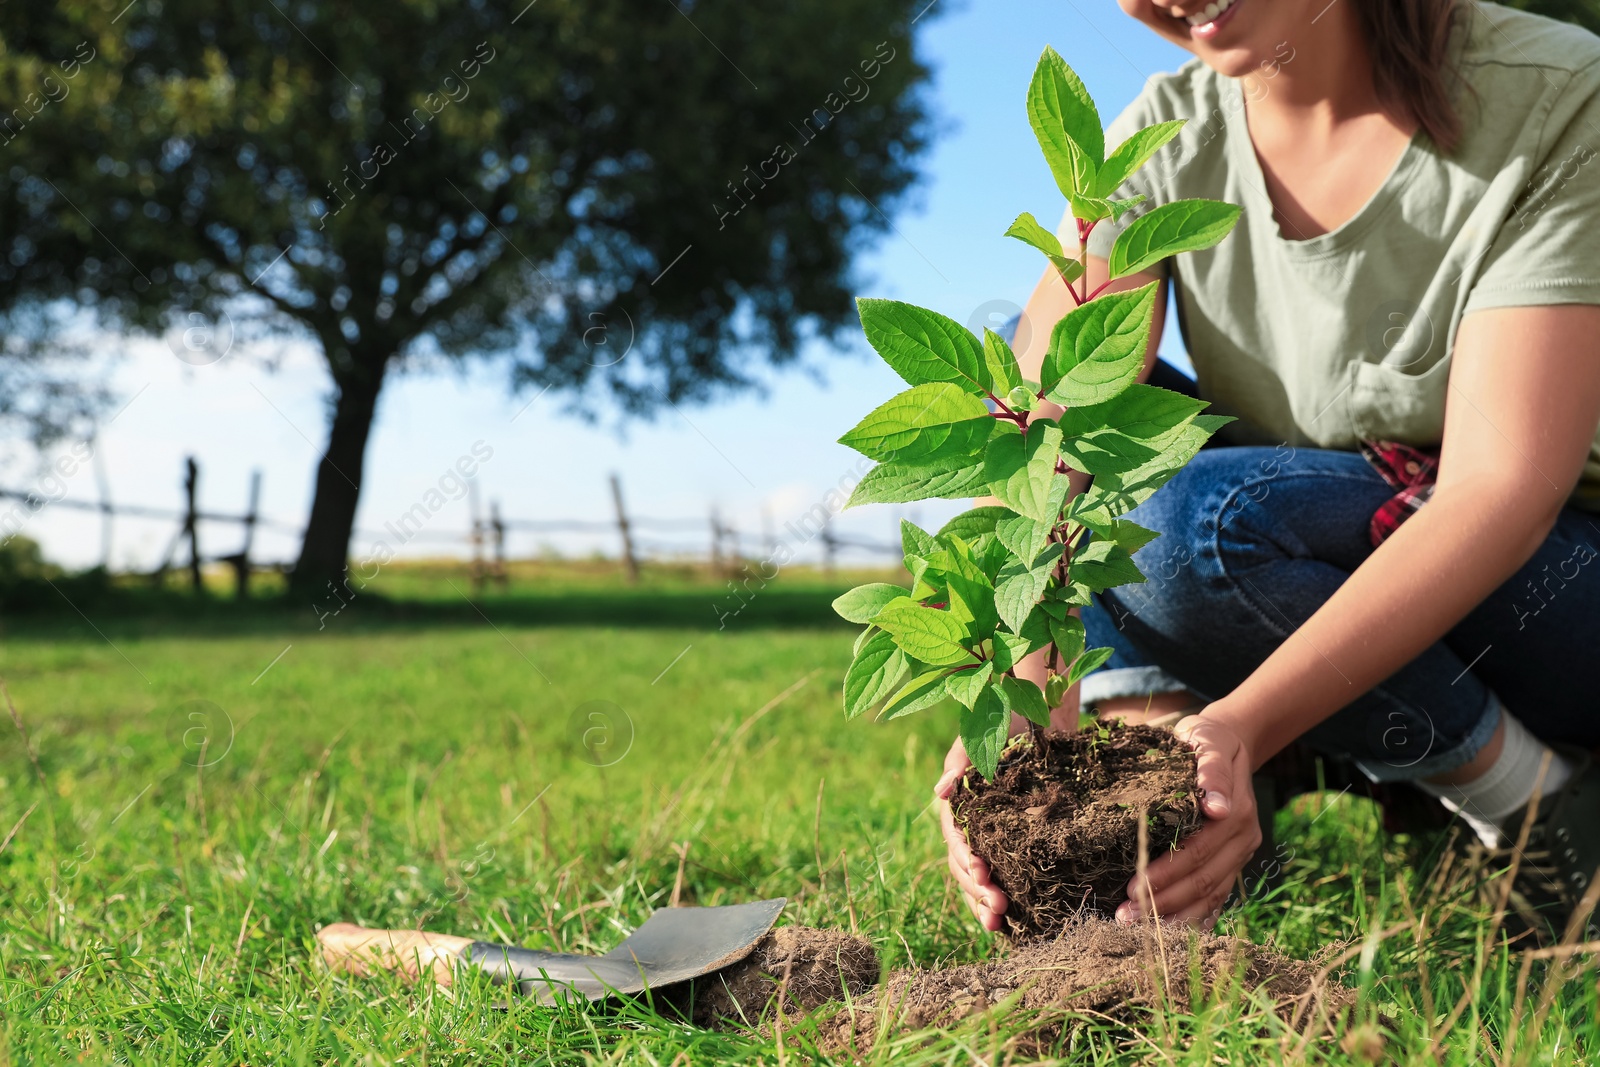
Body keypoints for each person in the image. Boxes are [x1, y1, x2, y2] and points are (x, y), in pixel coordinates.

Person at [936, 0, 1600, 937]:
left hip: (1553, 588)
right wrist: (1015, 709)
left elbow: (1505, 490)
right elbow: (1051, 436)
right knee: (1024, 373)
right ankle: (1170, 816)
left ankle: (1536, 802)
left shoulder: (1558, 93)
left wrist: (1243, 723)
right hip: (1310, 549)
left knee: (1190, 527)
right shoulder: (1164, 136)